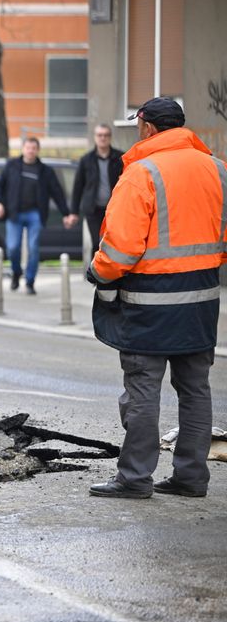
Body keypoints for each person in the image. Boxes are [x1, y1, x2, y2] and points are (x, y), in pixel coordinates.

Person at [87, 97, 226, 500]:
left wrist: (98, 272)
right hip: (202, 301)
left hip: (149, 303)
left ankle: (134, 478)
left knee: (144, 390)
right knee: (196, 389)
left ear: (147, 127)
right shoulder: (217, 169)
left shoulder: (141, 173)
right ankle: (191, 477)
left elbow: (118, 251)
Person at [0, 137, 73, 295]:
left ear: (37, 150)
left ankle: (30, 281)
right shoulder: (12, 166)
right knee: (13, 247)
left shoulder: (45, 171)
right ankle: (16, 273)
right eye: (28, 148)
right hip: (14, 213)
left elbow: (57, 193)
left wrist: (66, 213)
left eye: (33, 148)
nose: (30, 151)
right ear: (23, 149)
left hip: (35, 213)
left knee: (33, 248)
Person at [69, 124, 124, 257]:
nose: (103, 138)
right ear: (95, 137)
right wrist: (74, 212)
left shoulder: (120, 158)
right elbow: (78, 187)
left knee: (113, 242)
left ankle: (113, 273)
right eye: (100, 135)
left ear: (110, 137)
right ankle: (97, 274)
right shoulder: (86, 160)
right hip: (93, 209)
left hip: (114, 209)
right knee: (96, 242)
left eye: (106, 135)